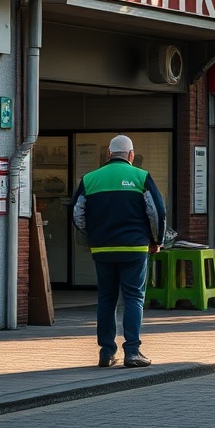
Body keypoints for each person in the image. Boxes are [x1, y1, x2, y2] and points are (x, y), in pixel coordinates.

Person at [73, 135, 166, 368]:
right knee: (134, 298)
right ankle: (132, 352)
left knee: (106, 299)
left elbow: (77, 213)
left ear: (109, 153)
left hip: (102, 248)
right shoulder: (141, 177)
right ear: (131, 155)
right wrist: (157, 240)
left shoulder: (90, 179)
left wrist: (92, 235)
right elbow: (157, 212)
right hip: (134, 248)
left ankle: (106, 352)